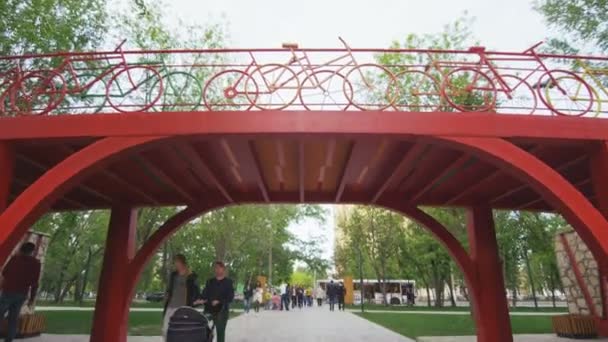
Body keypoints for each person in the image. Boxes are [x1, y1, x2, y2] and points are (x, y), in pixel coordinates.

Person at [0, 242, 41, 342]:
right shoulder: (36, 263)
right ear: (32, 251)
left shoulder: (15, 259)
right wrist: (32, 298)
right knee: (13, 319)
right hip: (21, 294)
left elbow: (4, 273)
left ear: (22, 249)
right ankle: (9, 339)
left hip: (8, 291)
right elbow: (35, 283)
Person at [163, 254, 200, 342]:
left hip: (183, 308)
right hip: (171, 305)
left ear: (182, 262)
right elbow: (169, 289)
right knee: (165, 329)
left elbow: (196, 292)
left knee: (181, 331)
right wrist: (167, 295)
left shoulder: (191, 276)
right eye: (175, 262)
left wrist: (194, 302)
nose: (175, 264)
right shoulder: (173, 275)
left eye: (177, 262)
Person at [197, 261, 234, 342]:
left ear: (223, 269)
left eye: (218, 268)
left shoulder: (228, 282)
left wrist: (219, 301)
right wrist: (200, 299)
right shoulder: (210, 281)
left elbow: (230, 297)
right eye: (215, 268)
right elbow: (204, 293)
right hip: (208, 310)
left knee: (220, 333)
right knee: (203, 330)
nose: (216, 269)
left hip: (222, 311)